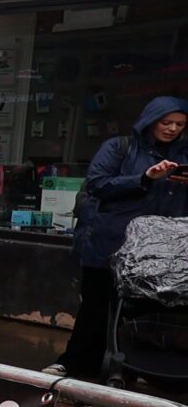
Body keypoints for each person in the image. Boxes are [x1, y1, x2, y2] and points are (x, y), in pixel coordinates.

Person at [58, 96, 188, 381]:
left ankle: (138, 368)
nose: (172, 129)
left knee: (148, 312)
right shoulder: (120, 147)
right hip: (111, 241)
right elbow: (97, 183)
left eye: (179, 124)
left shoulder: (184, 153)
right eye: (166, 123)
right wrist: (144, 178)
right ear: (151, 121)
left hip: (163, 251)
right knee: (97, 307)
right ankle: (77, 364)